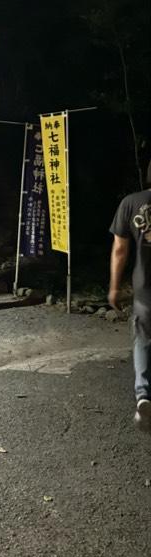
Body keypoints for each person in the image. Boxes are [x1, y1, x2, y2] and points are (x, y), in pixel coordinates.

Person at [109, 162, 151, 433]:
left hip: (145, 290)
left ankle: (144, 394)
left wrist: (114, 286)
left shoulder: (130, 203)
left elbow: (120, 250)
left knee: (142, 340)